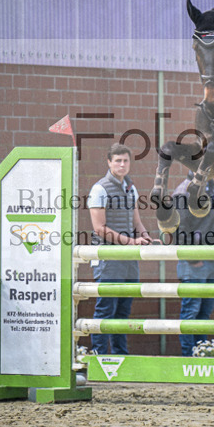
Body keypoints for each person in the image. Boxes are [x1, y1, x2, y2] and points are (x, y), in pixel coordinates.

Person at [87, 143, 153, 355]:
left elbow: (136, 222)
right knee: (106, 308)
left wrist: (145, 236)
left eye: (125, 160)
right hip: (108, 258)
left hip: (128, 258)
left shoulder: (131, 187)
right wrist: (132, 242)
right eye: (118, 161)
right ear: (109, 162)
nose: (122, 164)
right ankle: (99, 354)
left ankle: (120, 355)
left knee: (124, 310)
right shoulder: (99, 189)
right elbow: (99, 228)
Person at [172, 174, 214, 356]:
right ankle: (188, 358)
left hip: (212, 259)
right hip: (194, 262)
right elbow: (179, 228)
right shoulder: (183, 191)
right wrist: (193, 259)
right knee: (191, 312)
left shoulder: (212, 189)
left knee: (205, 313)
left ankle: (201, 357)